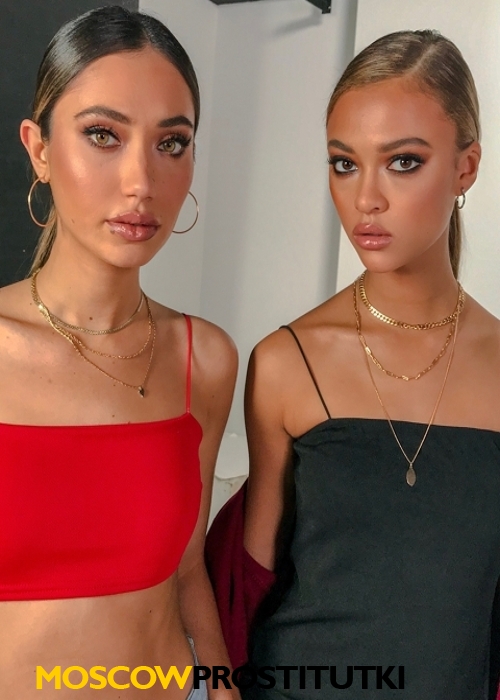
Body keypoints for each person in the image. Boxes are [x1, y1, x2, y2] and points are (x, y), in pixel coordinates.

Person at [241, 30, 500, 699]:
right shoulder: (287, 362)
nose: (366, 199)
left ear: (466, 167)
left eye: (403, 162)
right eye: (344, 163)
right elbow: (248, 585)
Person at [0, 6, 238, 699]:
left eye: (171, 143)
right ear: (39, 149)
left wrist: (222, 686)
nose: (141, 180)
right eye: (103, 134)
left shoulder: (203, 359)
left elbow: (187, 571)